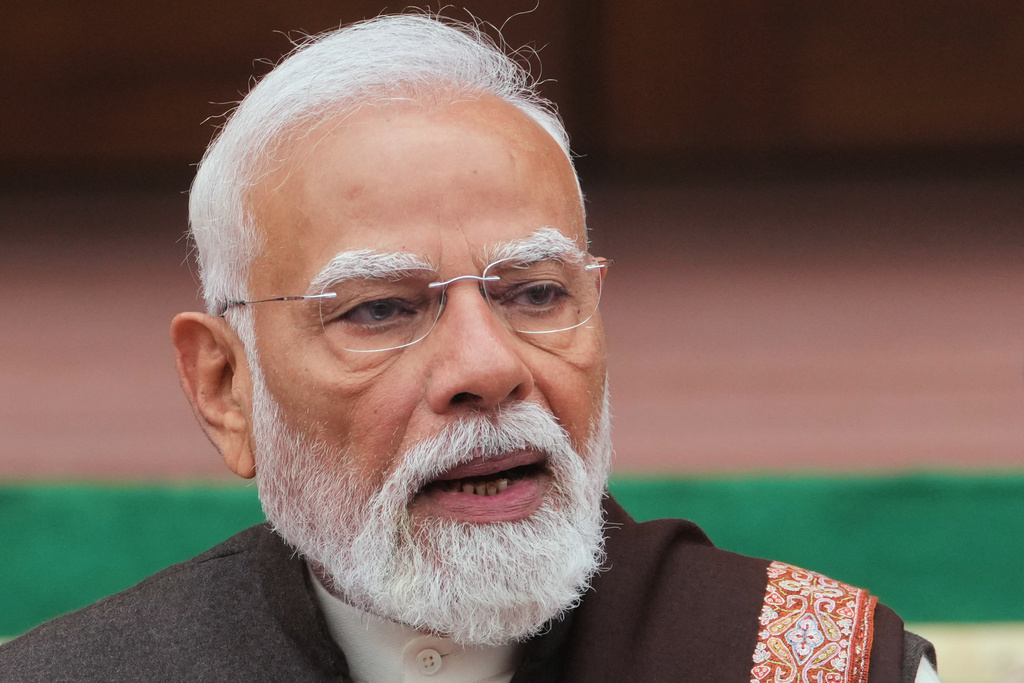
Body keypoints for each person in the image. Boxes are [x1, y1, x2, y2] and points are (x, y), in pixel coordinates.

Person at [0, 13, 938, 682]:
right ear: (225, 384)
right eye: (379, 310)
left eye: (536, 293)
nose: (488, 369)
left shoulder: (809, 661)